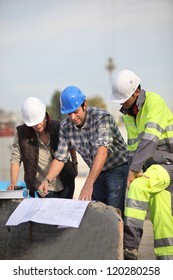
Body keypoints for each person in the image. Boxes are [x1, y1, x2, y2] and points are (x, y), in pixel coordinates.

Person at [38, 85, 128, 217]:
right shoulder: (66, 126)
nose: (73, 117)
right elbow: (60, 158)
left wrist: (88, 182)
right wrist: (47, 180)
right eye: (69, 113)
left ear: (84, 105)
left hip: (117, 168)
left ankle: (119, 238)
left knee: (113, 213)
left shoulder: (102, 118)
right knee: (97, 213)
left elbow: (102, 150)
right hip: (96, 171)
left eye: (76, 111)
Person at [111, 69, 173, 260]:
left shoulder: (155, 102)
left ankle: (130, 249)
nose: (122, 103)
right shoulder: (129, 114)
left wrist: (133, 171)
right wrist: (134, 166)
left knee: (138, 186)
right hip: (150, 169)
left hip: (167, 164)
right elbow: (133, 148)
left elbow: (149, 140)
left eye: (125, 98)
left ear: (136, 92)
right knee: (162, 218)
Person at [7, 97, 77, 198]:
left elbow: (71, 145)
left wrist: (74, 162)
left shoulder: (58, 126)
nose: (38, 125)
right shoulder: (22, 134)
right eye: (34, 124)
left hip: (66, 181)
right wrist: (13, 183)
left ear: (45, 115)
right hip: (43, 187)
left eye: (39, 121)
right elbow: (15, 159)